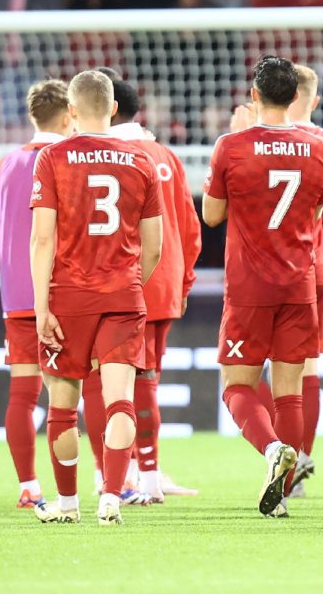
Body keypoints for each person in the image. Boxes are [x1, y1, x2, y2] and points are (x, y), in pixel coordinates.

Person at [203, 56, 323, 518]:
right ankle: (283, 488)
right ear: (296, 96)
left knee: (237, 385)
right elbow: (315, 214)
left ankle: (271, 451)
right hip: (299, 282)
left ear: (255, 95)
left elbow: (213, 215)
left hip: (250, 286)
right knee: (290, 391)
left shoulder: (231, 146)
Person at [29, 71, 164, 527]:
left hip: (68, 298)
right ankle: (111, 496)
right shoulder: (142, 160)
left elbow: (42, 240)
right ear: (111, 108)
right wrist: (130, 285)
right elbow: (155, 246)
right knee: (119, 401)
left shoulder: (52, 157)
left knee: (63, 407)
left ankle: (67, 505)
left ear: (70, 112)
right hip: (123, 294)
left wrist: (42, 306)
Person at [105, 73, 202, 504]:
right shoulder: (164, 155)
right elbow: (189, 225)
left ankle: (127, 478)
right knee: (147, 382)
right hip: (164, 285)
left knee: (118, 384)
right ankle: (146, 474)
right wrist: (182, 279)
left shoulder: (108, 156)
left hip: (122, 283)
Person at [0, 80, 72, 510]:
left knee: (22, 394)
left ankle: (28, 485)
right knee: (77, 392)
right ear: (67, 115)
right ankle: (100, 481)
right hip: (60, 291)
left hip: (15, 294)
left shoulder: (7, 163)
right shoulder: (64, 160)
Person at [284, 64, 323, 496]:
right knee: (307, 366)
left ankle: (278, 457)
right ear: (314, 99)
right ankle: (299, 461)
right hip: (309, 266)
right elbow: (318, 212)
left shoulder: (254, 139)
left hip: (259, 272)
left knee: (263, 372)